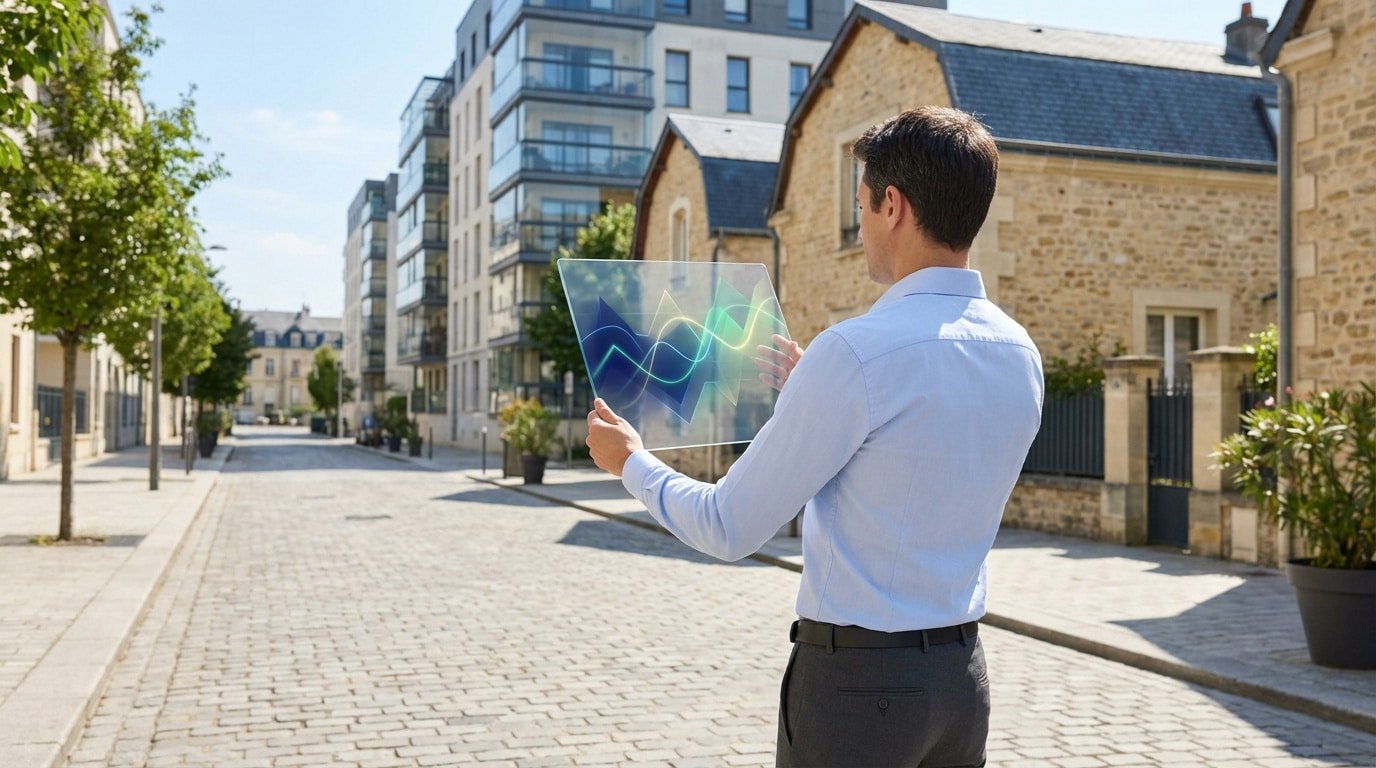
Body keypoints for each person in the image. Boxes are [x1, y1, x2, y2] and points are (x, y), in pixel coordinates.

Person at [586, 106, 1044, 768]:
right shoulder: (1017, 350)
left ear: (893, 205)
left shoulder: (856, 353)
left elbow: (727, 526)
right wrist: (821, 388)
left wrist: (630, 461)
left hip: (858, 693)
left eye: (859, 204)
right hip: (961, 683)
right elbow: (916, 446)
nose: (858, 227)